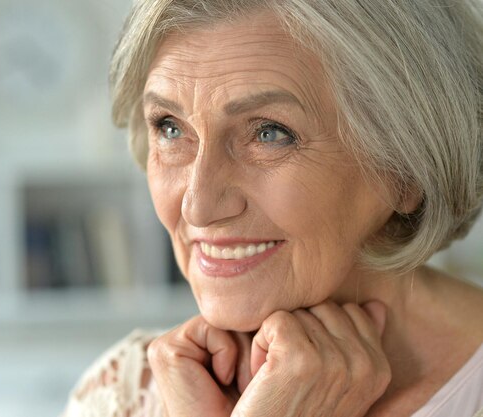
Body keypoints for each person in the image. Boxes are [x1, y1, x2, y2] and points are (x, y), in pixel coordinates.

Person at [63, 0, 483, 416]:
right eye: (170, 128)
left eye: (269, 133)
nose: (197, 206)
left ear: (406, 168)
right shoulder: (126, 390)